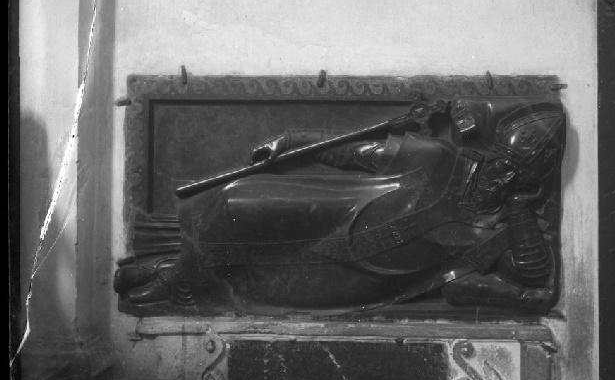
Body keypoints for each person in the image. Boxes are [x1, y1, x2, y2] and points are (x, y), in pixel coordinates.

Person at [116, 96, 566, 315]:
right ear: (491, 154)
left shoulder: (498, 227)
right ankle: (174, 270)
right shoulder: (438, 159)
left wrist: (521, 212)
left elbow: (530, 276)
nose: (504, 179)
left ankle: (175, 279)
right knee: (244, 203)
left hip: (367, 277)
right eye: (503, 167)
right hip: (341, 214)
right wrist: (291, 142)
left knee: (279, 283)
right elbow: (354, 152)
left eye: (518, 176)